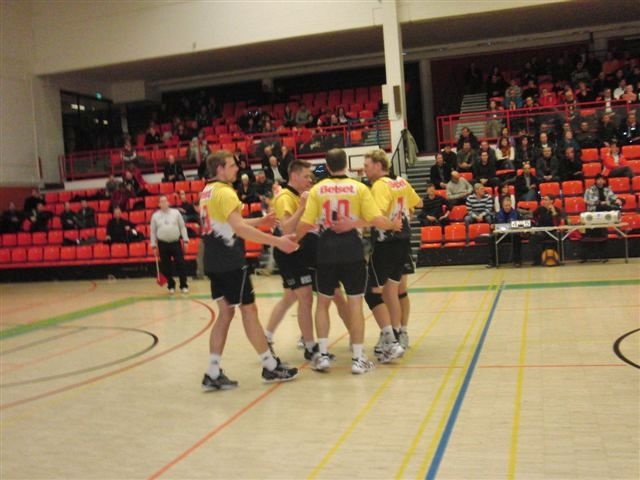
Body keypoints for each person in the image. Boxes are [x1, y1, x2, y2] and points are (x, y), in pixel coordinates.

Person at [199, 150, 299, 390]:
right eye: (232, 165)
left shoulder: (207, 192)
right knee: (249, 310)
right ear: (220, 169)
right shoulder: (226, 192)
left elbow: (230, 224)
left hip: (213, 261)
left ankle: (212, 372)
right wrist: (277, 241)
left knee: (225, 313)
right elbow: (240, 229)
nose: (237, 169)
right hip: (231, 262)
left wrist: (260, 222)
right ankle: (270, 366)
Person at [296, 148, 401, 374]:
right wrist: (394, 224)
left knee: (322, 303)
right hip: (352, 251)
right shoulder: (359, 188)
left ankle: (323, 355)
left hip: (325, 251)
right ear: (346, 164)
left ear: (327, 165)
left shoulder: (317, 189)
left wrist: (292, 240)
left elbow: (305, 224)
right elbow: (376, 219)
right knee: (354, 304)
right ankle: (357, 358)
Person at [361, 149, 421, 356]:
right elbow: (418, 202)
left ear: (378, 166)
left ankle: (390, 338)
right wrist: (404, 211)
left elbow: (376, 216)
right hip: (403, 242)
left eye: (367, 166)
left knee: (373, 293)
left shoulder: (380, 185)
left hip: (385, 243)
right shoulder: (401, 182)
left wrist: (353, 224)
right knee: (392, 292)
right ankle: (396, 333)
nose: (364, 170)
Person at [263, 160, 319, 362]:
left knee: (290, 298)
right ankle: (310, 346)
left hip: (298, 250)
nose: (309, 180)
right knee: (305, 297)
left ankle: (266, 337)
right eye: (305, 176)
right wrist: (302, 207)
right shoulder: (285, 197)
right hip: (288, 252)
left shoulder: (297, 194)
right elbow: (287, 228)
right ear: (294, 176)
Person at [150, 195, 190, 294]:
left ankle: (183, 285)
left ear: (168, 202)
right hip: (162, 244)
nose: (163, 203)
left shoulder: (176, 213)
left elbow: (182, 227)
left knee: (180, 264)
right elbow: (153, 232)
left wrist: (185, 241)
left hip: (175, 242)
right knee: (166, 266)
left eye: (165, 201)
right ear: (159, 204)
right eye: (161, 201)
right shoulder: (155, 216)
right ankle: (171, 285)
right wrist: (154, 246)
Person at [581, 174, 623, 262]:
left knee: (618, 204)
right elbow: (587, 200)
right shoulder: (590, 189)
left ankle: (604, 255)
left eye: (602, 179)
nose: (600, 181)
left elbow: (613, 197)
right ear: (595, 180)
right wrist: (599, 202)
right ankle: (590, 256)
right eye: (599, 179)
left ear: (604, 181)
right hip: (594, 211)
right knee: (605, 206)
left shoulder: (607, 189)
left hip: (605, 212)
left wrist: (617, 200)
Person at [487, 196, 522, 268]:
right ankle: (492, 261)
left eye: (509, 205)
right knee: (491, 238)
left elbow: (521, 224)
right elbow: (493, 225)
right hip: (501, 235)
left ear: (511, 205)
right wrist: (492, 226)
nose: (507, 207)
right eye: (506, 205)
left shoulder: (516, 213)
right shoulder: (497, 214)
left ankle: (517, 261)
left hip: (512, 234)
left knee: (517, 237)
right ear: (502, 206)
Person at [530, 194, 563, 266]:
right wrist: (535, 223)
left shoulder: (557, 210)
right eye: (543, 199)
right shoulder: (540, 209)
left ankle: (558, 259)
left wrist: (554, 212)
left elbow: (557, 224)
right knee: (533, 238)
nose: (543, 201)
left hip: (553, 232)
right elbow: (533, 217)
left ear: (551, 201)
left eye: (546, 199)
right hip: (542, 231)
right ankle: (538, 260)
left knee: (559, 236)